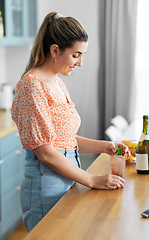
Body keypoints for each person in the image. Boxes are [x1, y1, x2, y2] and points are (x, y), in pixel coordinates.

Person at [11, 12, 130, 232]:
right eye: (76, 55)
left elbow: (63, 139)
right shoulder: (32, 86)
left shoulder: (56, 82)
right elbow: (46, 152)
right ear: (55, 50)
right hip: (45, 186)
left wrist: (104, 146)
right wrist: (92, 180)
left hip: (67, 176)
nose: (80, 63)